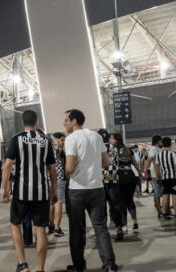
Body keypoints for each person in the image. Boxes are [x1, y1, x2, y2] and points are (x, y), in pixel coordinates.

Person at [0, 110, 57, 272]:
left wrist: (4, 188)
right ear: (36, 121)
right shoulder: (46, 141)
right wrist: (54, 190)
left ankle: (23, 264)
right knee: (40, 229)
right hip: (41, 191)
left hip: (21, 192)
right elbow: (52, 169)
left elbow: (7, 166)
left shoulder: (16, 139)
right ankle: (40, 268)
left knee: (15, 224)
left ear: (23, 122)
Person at [64, 109, 117, 272]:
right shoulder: (97, 136)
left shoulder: (71, 138)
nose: (63, 122)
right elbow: (106, 163)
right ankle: (109, 264)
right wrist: (91, 168)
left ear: (74, 121)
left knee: (77, 229)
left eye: (66, 119)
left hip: (77, 189)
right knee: (100, 227)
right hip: (97, 188)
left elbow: (70, 168)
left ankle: (79, 266)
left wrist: (68, 171)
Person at [110, 133, 140, 234]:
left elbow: (110, 166)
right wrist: (141, 174)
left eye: (112, 138)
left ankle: (125, 225)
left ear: (116, 140)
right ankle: (135, 221)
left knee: (121, 202)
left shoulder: (114, 150)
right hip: (130, 175)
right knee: (130, 200)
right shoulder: (128, 150)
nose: (110, 140)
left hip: (120, 176)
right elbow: (135, 164)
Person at [99, 129, 123, 241]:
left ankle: (103, 232)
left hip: (101, 179)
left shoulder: (97, 148)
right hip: (113, 178)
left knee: (101, 206)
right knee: (115, 204)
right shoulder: (114, 148)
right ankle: (119, 228)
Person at [155, 137, 176, 221]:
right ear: (170, 144)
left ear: (163, 144)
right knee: (175, 196)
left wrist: (158, 176)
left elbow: (156, 166)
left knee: (165, 195)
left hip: (164, 178)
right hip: (173, 178)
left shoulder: (159, 155)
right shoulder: (173, 154)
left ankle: (164, 213)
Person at [145, 135, 164, 219]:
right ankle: (159, 211)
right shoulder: (153, 149)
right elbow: (149, 160)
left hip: (161, 173)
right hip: (155, 174)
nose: (162, 142)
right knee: (157, 193)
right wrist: (145, 171)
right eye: (161, 141)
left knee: (160, 192)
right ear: (157, 142)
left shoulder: (160, 149)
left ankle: (162, 209)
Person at [52, 132, 66, 237]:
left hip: (49, 179)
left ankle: (51, 225)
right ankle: (57, 227)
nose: (64, 142)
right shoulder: (60, 150)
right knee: (58, 203)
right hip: (60, 179)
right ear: (55, 139)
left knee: (51, 203)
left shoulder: (48, 150)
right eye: (62, 140)